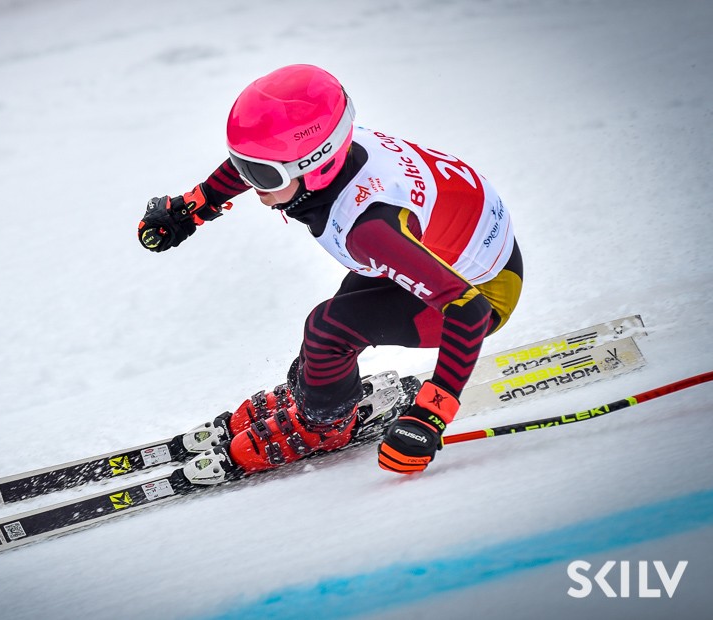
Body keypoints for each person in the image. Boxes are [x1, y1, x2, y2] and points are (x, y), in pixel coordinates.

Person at [137, 64, 522, 476]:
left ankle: (324, 426)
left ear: (316, 164)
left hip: (482, 291)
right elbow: (267, 157)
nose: (253, 184)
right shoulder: (332, 154)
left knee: (328, 331)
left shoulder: (369, 228)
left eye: (262, 175)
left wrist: (431, 413)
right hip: (439, 250)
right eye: (243, 165)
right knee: (316, 358)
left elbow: (470, 310)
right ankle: (318, 398)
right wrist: (197, 204)